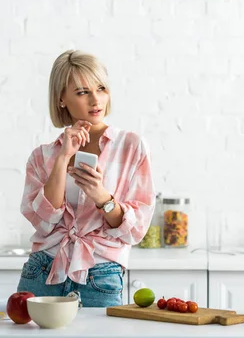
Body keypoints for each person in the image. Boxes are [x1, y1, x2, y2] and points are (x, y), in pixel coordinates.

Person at [17, 49, 155, 307]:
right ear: (61, 99)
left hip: (100, 274)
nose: (96, 100)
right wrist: (62, 158)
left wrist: (102, 197)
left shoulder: (131, 146)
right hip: (42, 269)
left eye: (101, 88)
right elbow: (43, 222)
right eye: (82, 92)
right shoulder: (42, 156)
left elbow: (135, 231)